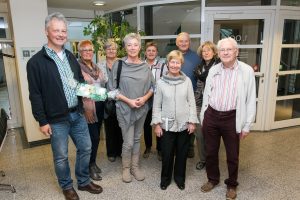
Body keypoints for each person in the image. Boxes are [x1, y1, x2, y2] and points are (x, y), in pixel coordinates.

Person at [26, 12, 102, 200]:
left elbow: (76, 85)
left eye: (63, 31)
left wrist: (101, 94)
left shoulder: (70, 57)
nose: (61, 34)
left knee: (86, 148)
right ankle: (67, 186)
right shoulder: (35, 63)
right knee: (61, 156)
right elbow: (35, 95)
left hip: (77, 114)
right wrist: (42, 121)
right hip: (56, 119)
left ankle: (83, 181)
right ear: (46, 31)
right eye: (56, 30)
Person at [200, 37, 256, 200]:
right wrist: (204, 116)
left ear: (236, 52)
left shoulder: (246, 71)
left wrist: (246, 125)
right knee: (210, 152)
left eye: (229, 49)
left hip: (232, 117)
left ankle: (231, 184)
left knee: (232, 155)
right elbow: (207, 94)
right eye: (222, 50)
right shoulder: (214, 69)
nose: (225, 52)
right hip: (212, 115)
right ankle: (213, 179)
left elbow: (251, 99)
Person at [108, 33, 154, 183]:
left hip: (141, 110)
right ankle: (126, 169)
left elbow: (153, 88)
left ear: (140, 47)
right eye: (129, 45)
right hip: (124, 109)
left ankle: (135, 167)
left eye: (135, 45)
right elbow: (112, 90)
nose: (132, 48)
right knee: (127, 142)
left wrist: (145, 98)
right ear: (125, 47)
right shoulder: (118, 64)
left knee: (136, 139)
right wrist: (128, 101)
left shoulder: (145, 67)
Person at [151, 50, 198, 190]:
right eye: (172, 62)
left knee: (182, 154)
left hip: (184, 124)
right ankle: (165, 179)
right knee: (167, 154)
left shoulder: (187, 81)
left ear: (181, 64)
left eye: (178, 62)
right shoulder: (161, 83)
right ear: (167, 64)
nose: (175, 65)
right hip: (166, 125)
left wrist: (192, 121)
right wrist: (157, 124)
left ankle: (179, 179)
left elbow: (191, 102)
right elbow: (156, 105)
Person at [78, 40, 107, 181]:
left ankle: (93, 162)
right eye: (85, 50)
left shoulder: (96, 67)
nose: (88, 52)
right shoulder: (77, 67)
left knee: (96, 139)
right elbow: (78, 88)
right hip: (88, 108)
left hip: (99, 107)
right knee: (91, 138)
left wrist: (104, 94)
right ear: (80, 52)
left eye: (90, 50)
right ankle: (88, 166)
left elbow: (102, 83)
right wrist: (101, 94)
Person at [194, 41, 220, 170]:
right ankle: (203, 159)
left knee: (212, 135)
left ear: (214, 52)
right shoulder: (199, 68)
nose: (206, 53)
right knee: (199, 134)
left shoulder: (219, 67)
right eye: (204, 51)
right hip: (199, 103)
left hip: (213, 105)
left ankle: (211, 160)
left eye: (209, 50)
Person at [176, 32, 201, 158]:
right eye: (181, 41)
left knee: (190, 120)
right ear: (177, 43)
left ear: (189, 42)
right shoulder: (173, 56)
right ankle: (177, 146)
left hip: (192, 96)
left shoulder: (197, 57)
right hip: (175, 95)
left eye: (186, 41)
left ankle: (190, 146)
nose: (183, 43)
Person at [142, 41, 168, 161]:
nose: (151, 52)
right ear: (145, 52)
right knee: (146, 125)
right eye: (149, 50)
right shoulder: (140, 65)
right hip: (145, 100)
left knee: (159, 124)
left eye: (153, 50)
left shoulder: (163, 65)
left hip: (159, 100)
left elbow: (166, 82)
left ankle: (160, 149)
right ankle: (148, 147)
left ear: (157, 52)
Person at [99, 39, 123, 162]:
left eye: (113, 48)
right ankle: (111, 152)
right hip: (106, 100)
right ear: (105, 51)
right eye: (109, 49)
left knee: (121, 126)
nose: (111, 50)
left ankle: (120, 151)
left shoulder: (122, 63)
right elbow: (97, 83)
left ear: (116, 50)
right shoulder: (100, 65)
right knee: (109, 127)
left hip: (121, 99)